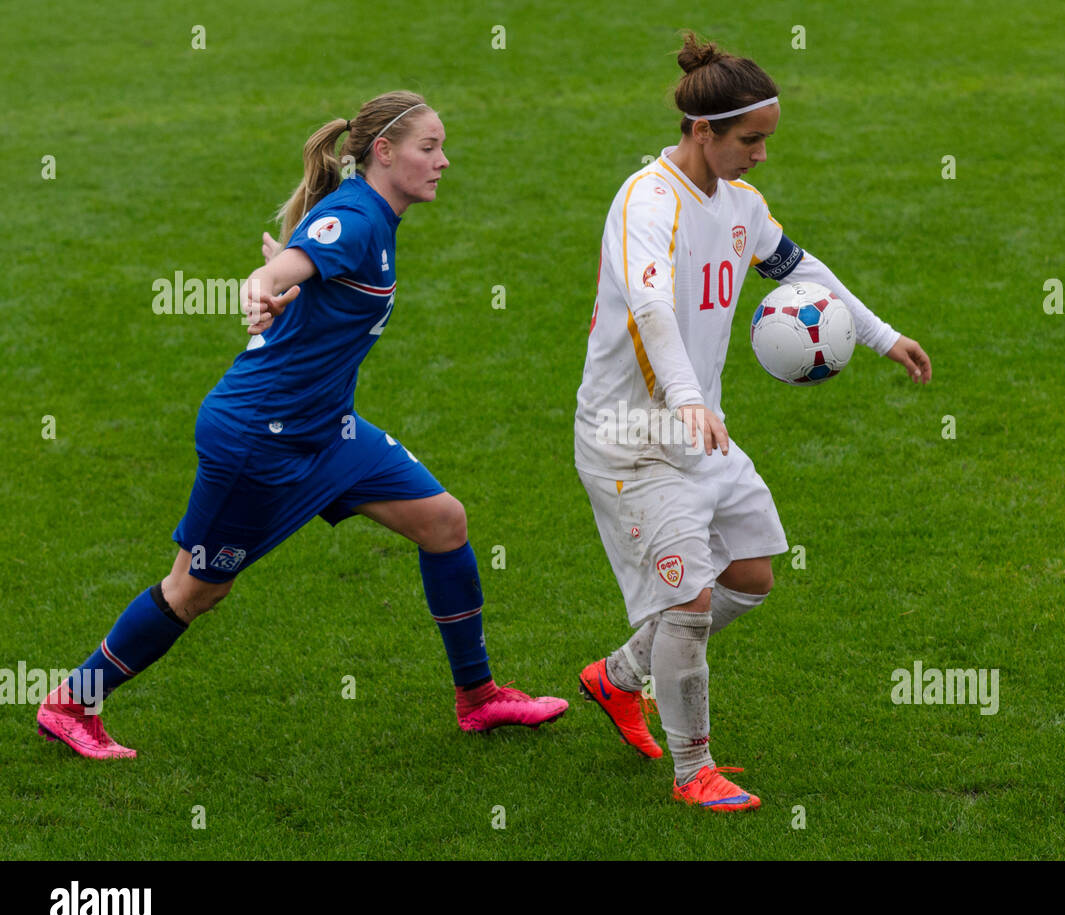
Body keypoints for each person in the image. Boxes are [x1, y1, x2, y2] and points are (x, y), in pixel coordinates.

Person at [38, 90, 567, 759]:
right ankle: (72, 702)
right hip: (258, 438)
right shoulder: (356, 220)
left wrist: (286, 286)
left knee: (444, 521)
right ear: (383, 152)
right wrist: (263, 287)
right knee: (196, 588)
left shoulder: (367, 217)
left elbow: (303, 268)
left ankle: (478, 697)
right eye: (429, 149)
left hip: (327, 432)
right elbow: (279, 271)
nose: (444, 162)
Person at [574, 36, 931, 811]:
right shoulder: (647, 201)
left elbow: (801, 270)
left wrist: (881, 334)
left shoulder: (741, 207)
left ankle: (617, 677)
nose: (763, 155)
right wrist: (685, 396)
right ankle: (692, 768)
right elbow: (650, 305)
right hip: (631, 438)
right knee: (691, 605)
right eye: (751, 139)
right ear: (703, 131)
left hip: (701, 430)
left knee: (751, 578)